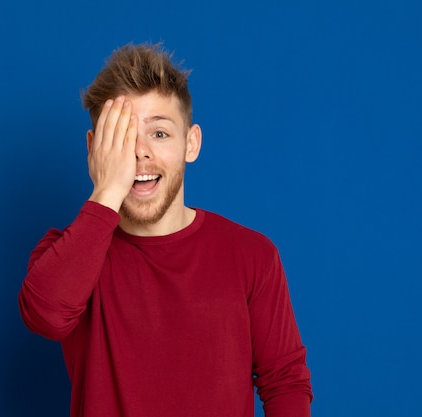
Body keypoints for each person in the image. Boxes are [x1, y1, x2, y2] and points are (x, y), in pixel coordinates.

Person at [18, 43, 313, 417]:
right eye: (122, 137)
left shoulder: (252, 255)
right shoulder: (65, 252)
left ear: (191, 143)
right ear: (95, 150)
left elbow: (284, 382)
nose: (140, 153)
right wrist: (108, 190)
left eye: (159, 134)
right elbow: (45, 317)